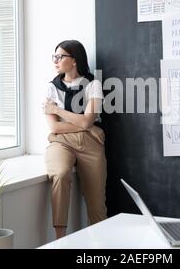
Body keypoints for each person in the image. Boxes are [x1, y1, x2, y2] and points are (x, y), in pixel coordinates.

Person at [43, 40, 107, 239]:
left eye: (60, 56)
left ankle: (99, 246)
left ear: (74, 61)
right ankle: (60, 239)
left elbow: (88, 119)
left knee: (97, 201)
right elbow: (55, 127)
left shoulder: (93, 84)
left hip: (90, 145)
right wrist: (89, 126)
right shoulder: (52, 87)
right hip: (61, 142)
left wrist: (57, 110)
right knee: (61, 174)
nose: (55, 61)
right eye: (54, 56)